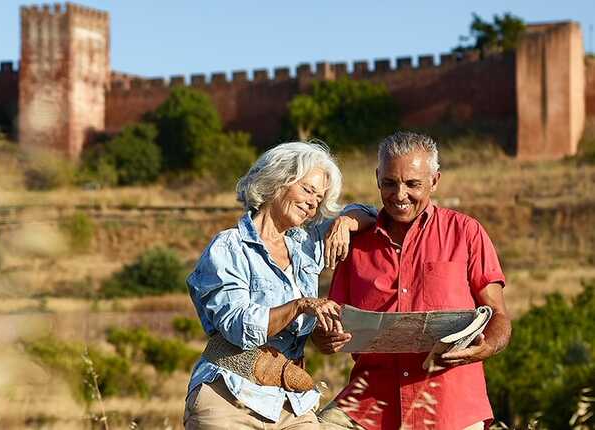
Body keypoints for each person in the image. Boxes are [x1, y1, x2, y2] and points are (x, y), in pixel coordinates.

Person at [316, 132, 512, 430]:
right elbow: (328, 325)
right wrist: (326, 339)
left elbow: (498, 315)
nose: (400, 195)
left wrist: (487, 347)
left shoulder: (466, 233)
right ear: (377, 178)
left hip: (450, 407)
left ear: (435, 180)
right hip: (369, 404)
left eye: (413, 184)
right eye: (390, 183)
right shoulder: (356, 245)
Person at [185, 142, 373, 429]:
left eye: (319, 198)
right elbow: (238, 326)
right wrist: (301, 306)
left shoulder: (307, 246)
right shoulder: (230, 247)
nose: (314, 203)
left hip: (291, 402)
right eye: (308, 190)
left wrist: (345, 222)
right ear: (277, 181)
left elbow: (372, 214)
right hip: (230, 396)